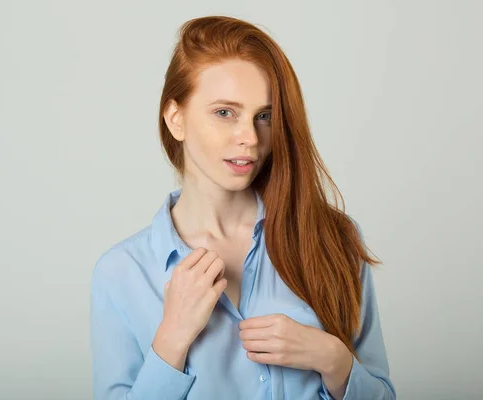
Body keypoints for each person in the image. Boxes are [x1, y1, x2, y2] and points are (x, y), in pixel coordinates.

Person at [89, 15, 396, 400]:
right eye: (224, 113)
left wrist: (334, 360)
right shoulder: (121, 274)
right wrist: (171, 340)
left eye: (264, 116)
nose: (250, 137)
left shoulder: (335, 240)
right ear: (176, 119)